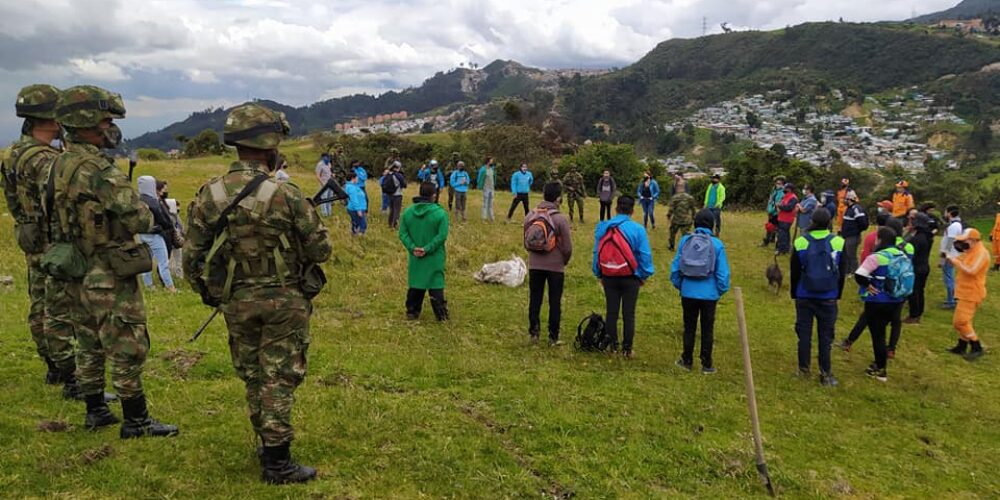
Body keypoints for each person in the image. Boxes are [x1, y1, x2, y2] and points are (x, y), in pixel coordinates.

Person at [185, 102, 331, 483]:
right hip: (284, 299)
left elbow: (191, 258)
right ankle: (278, 462)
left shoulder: (209, 194)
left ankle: (267, 443)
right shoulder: (287, 194)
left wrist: (213, 294)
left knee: (253, 374)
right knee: (278, 376)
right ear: (270, 145)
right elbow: (321, 251)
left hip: (237, 301)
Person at [53, 85, 177, 436]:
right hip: (108, 268)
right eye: (106, 119)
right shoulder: (99, 169)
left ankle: (95, 410)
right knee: (127, 342)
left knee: (88, 340)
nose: (111, 126)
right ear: (87, 121)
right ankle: (136, 420)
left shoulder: (60, 163)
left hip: (74, 265)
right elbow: (137, 217)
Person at [0, 84, 69, 386]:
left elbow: (12, 199)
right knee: (59, 307)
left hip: (31, 235)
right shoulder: (46, 159)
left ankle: (53, 365)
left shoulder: (12, 153)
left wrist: (24, 222)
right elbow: (61, 202)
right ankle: (69, 372)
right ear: (52, 119)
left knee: (38, 302)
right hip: (53, 238)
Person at [592, 196, 654, 358]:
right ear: (632, 211)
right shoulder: (638, 229)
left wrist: (599, 273)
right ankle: (627, 349)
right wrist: (643, 275)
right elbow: (645, 256)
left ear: (615, 208)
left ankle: (613, 346)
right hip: (630, 277)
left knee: (611, 312)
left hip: (608, 275)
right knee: (629, 313)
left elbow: (596, 253)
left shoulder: (603, 227)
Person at [790, 208, 846, 386]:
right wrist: (838, 294)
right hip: (829, 296)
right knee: (826, 336)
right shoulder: (838, 242)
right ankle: (826, 373)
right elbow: (842, 272)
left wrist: (795, 293)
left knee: (804, 334)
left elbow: (795, 272)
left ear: (811, 221)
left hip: (804, 294)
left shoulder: (800, 242)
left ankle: (803, 368)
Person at [671, 209, 731, 374]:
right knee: (707, 328)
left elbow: (676, 267)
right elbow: (723, 273)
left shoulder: (685, 241)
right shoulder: (717, 244)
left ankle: (686, 360)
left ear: (695, 222)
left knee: (689, 327)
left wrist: (681, 286)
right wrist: (719, 290)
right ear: (712, 225)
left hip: (688, 292)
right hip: (709, 295)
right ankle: (707, 364)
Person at [853, 227, 907, 382]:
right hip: (897, 300)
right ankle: (881, 363)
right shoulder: (901, 255)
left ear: (880, 240)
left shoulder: (877, 257)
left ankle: (880, 368)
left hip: (878, 300)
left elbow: (860, 274)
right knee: (884, 332)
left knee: (878, 335)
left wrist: (867, 285)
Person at [525, 182, 572, 346]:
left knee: (535, 299)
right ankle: (553, 336)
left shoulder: (531, 215)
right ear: (558, 198)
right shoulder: (560, 219)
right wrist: (563, 261)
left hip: (534, 264)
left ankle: (534, 333)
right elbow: (567, 247)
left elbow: (526, 241)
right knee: (554, 301)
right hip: (555, 266)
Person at [399, 182, 450, 321]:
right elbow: (442, 236)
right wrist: (427, 249)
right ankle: (441, 315)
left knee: (416, 282)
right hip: (434, 257)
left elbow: (402, 234)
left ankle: (412, 311)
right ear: (434, 195)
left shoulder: (408, 212)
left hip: (415, 256)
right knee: (435, 284)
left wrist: (413, 247)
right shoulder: (440, 213)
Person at [946, 229, 990, 360]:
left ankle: (976, 346)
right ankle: (961, 346)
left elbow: (971, 270)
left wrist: (954, 261)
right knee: (965, 320)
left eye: (963, 241)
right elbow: (962, 260)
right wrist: (954, 258)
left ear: (973, 240)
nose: (961, 244)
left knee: (960, 322)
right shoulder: (971, 251)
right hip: (965, 291)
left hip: (972, 293)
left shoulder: (982, 253)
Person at [137, 176, 177, 292]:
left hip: (140, 234)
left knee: (146, 261)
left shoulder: (136, 200)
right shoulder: (153, 201)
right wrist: (169, 227)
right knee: (163, 262)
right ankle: (170, 287)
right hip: (154, 235)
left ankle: (149, 286)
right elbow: (163, 219)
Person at [904, 212, 934, 324]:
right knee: (920, 291)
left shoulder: (917, 239)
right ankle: (918, 313)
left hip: (916, 267)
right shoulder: (927, 236)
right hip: (924, 266)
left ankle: (914, 315)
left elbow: (909, 251)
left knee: (913, 292)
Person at [839, 191, 868, 278]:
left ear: (850, 199)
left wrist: (856, 231)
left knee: (851, 255)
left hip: (853, 236)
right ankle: (847, 271)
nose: (844, 200)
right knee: (846, 254)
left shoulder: (856, 208)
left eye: (846, 199)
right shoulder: (849, 208)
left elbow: (863, 223)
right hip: (847, 236)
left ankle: (854, 272)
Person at [940, 205, 963, 310]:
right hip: (953, 254)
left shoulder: (954, 226)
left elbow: (949, 241)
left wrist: (945, 255)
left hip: (950, 255)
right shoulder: (956, 225)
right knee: (950, 277)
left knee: (948, 278)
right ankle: (952, 298)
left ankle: (951, 301)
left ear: (949, 213)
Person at [667, 183, 696, 251]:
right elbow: (693, 209)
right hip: (686, 220)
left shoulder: (675, 197)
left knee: (672, 233)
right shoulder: (690, 198)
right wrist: (694, 217)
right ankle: (687, 248)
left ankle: (672, 246)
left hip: (676, 219)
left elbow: (671, 209)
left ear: (677, 189)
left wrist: (669, 215)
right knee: (686, 234)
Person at [762, 176, 786, 246]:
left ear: (783, 184)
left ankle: (768, 241)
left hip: (776, 213)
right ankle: (771, 239)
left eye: (780, 183)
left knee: (774, 227)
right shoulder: (774, 190)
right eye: (777, 183)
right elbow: (771, 200)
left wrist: (773, 210)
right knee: (770, 226)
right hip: (771, 211)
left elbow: (778, 203)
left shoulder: (783, 192)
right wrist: (769, 209)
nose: (778, 184)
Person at [776, 182, 798, 255]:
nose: (784, 189)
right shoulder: (785, 196)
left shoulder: (793, 198)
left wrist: (779, 206)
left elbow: (789, 208)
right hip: (781, 218)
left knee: (782, 234)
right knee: (785, 234)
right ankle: (786, 248)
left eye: (786, 188)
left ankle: (781, 249)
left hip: (787, 219)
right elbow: (782, 203)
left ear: (790, 189)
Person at [345, 171, 368, 236]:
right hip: (356, 209)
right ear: (353, 178)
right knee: (362, 224)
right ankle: (359, 236)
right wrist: (358, 210)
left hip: (356, 208)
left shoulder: (352, 186)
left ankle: (354, 234)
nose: (358, 179)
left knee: (356, 222)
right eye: (357, 178)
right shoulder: (351, 188)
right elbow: (354, 199)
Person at [387, 161, 407, 230]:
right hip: (397, 194)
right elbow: (404, 185)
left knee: (391, 210)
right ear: (398, 167)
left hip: (390, 195)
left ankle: (389, 224)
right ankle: (395, 225)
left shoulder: (389, 174)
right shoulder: (399, 175)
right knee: (397, 210)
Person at [477, 156, 497, 221]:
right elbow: (479, 179)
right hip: (486, 189)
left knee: (491, 204)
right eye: (491, 161)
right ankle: (484, 218)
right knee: (485, 204)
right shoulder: (483, 169)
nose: (492, 162)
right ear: (488, 161)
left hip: (492, 189)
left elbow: (494, 178)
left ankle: (491, 217)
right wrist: (480, 186)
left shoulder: (492, 169)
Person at [993, 202, 1000, 272]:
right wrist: (992, 234)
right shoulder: (998, 215)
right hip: (996, 236)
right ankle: (996, 265)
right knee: (996, 251)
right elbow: (995, 226)